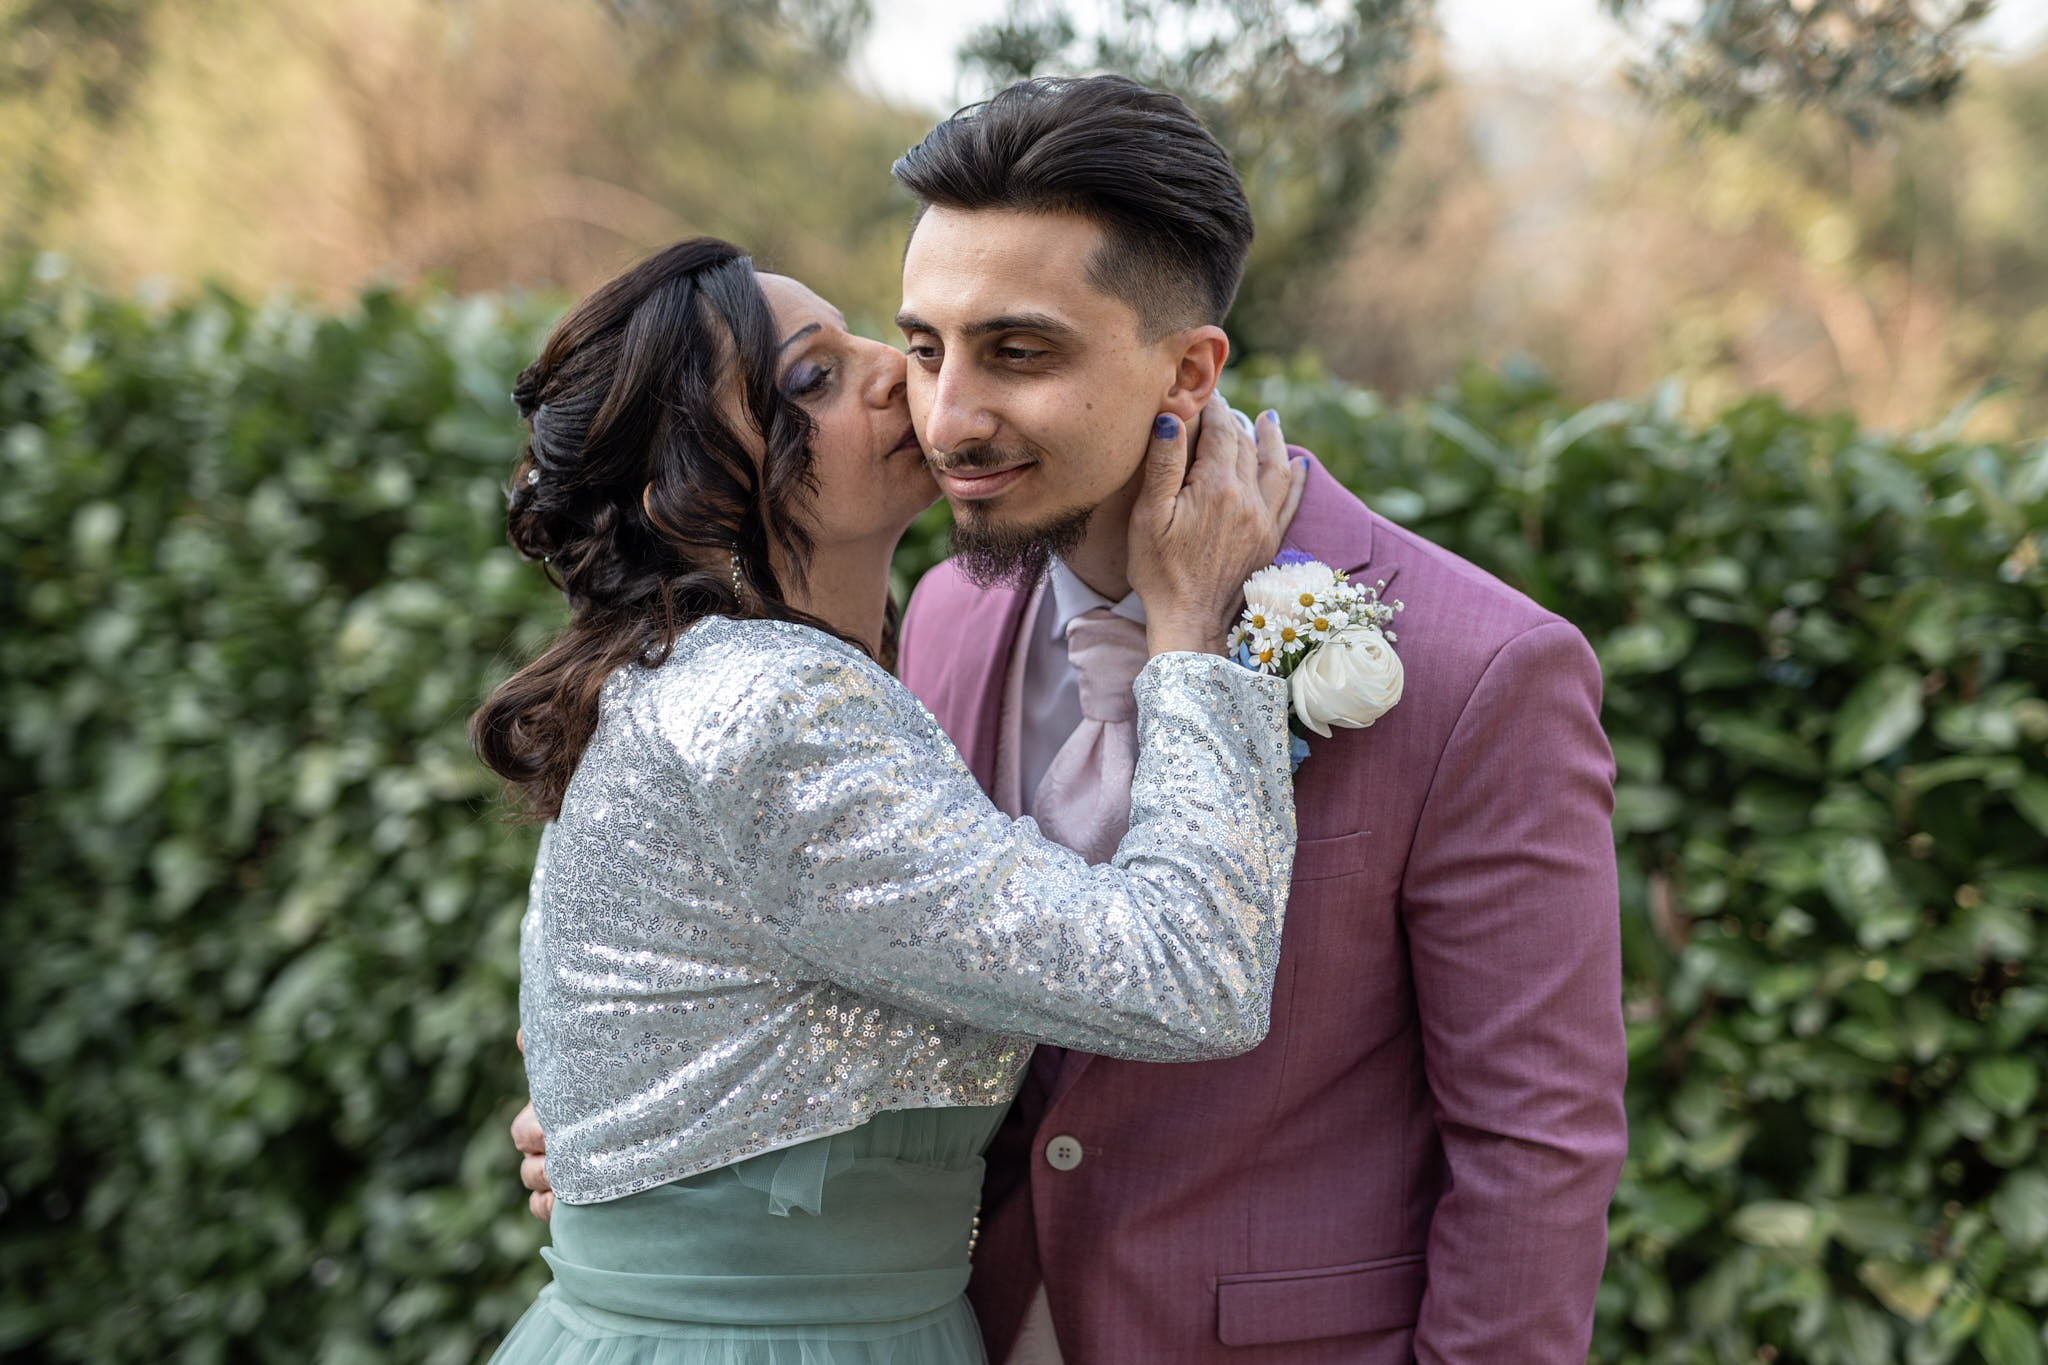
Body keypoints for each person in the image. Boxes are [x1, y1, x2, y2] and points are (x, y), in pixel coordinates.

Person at [518, 76, 1628, 1364]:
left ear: (1187, 369)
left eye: (1018, 353)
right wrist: (657, 1118)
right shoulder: (940, 614)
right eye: (924, 347)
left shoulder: (1482, 668)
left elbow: (1535, 1144)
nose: (946, 416)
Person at [476, 234, 1310, 1365]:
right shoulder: (772, 707)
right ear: (684, 491)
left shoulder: (702, 673)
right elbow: (1189, 978)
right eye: (813, 377)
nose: (901, 373)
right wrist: (1192, 639)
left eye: (880, 337)